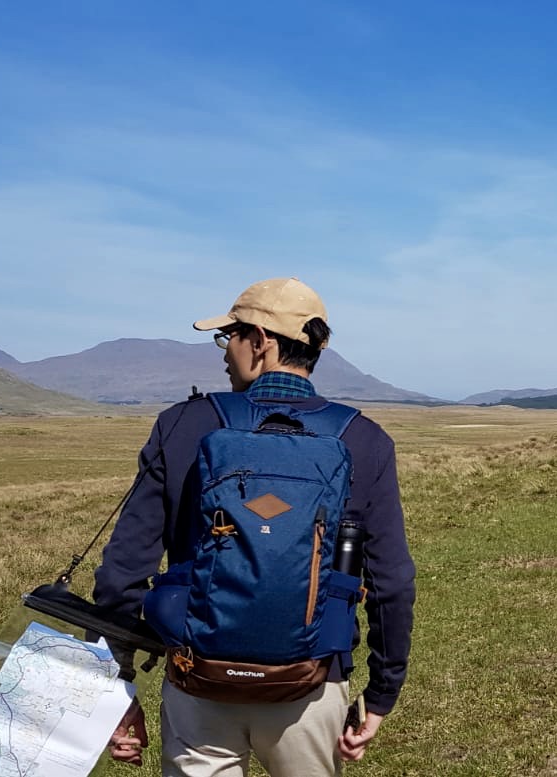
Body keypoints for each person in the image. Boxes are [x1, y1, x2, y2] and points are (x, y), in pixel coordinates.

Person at [92, 277, 416, 776]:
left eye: (230, 337)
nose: (224, 353)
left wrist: (119, 680)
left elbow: (121, 575)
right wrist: (380, 695)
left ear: (261, 341)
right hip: (311, 684)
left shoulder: (182, 425)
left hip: (195, 680)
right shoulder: (365, 439)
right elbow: (393, 582)